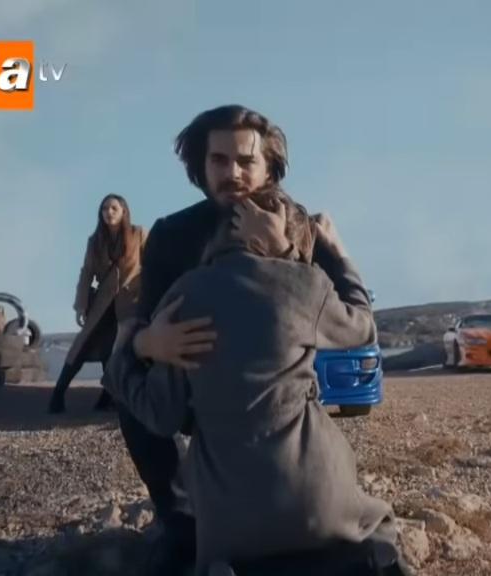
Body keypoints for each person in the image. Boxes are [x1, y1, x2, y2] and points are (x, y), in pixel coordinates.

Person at [106, 105, 383, 575]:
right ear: (201, 166)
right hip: (198, 385)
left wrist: (285, 252)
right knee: (129, 395)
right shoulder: (173, 234)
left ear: (268, 167)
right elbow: (150, 318)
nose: (232, 172)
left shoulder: (294, 221)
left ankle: (306, 510)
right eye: (219, 160)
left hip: (283, 394)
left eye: (245, 161)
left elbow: (341, 311)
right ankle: (181, 521)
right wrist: (144, 344)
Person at [48, 194, 147, 414]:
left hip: (131, 302)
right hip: (103, 302)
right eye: (104, 209)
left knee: (118, 349)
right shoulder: (95, 241)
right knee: (82, 345)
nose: (108, 212)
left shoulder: (138, 233)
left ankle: (108, 397)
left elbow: (152, 264)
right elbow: (86, 273)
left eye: (113, 208)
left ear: (123, 212)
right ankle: (58, 395)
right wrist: (80, 304)